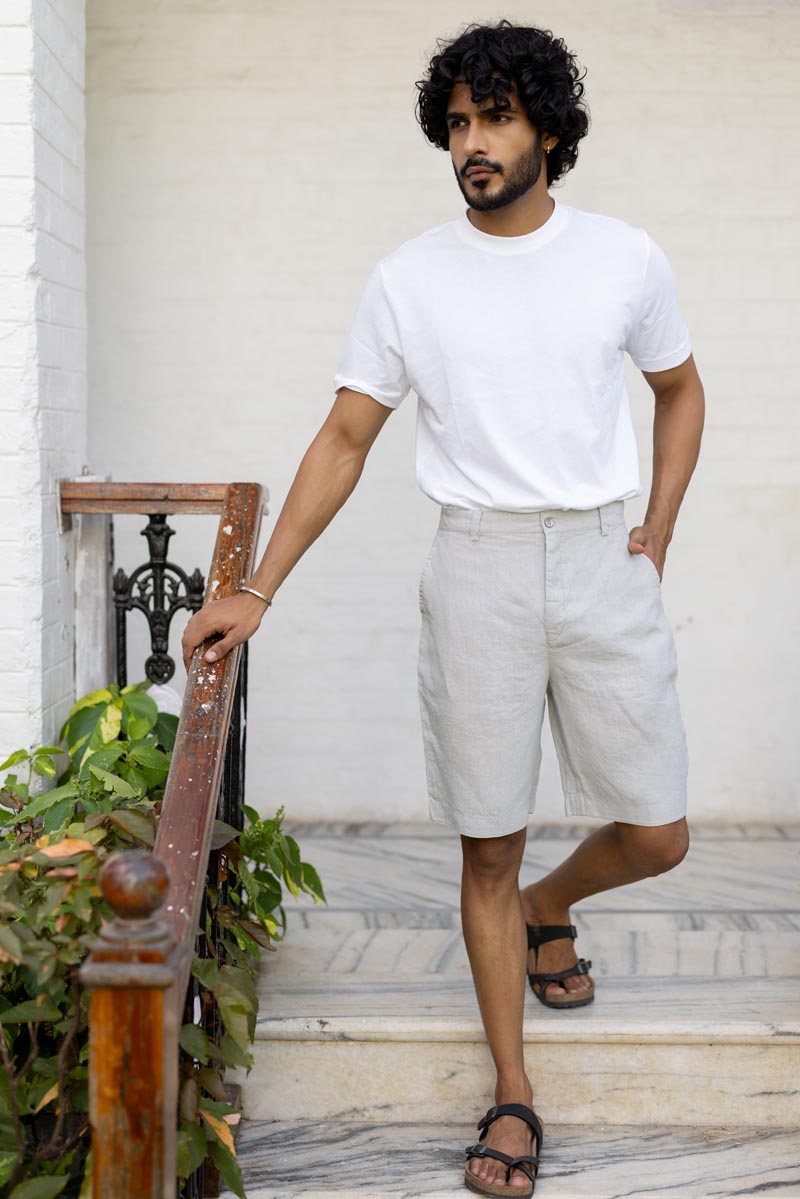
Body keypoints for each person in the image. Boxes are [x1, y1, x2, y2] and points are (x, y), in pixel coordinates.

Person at [182, 18, 704, 1197]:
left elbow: (678, 391)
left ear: (548, 132)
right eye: (457, 122)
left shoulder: (622, 258)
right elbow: (346, 435)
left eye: (496, 118)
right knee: (484, 835)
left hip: (595, 559)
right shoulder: (408, 278)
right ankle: (512, 1090)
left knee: (660, 830)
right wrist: (256, 587)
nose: (472, 142)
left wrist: (656, 522)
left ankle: (547, 905)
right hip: (473, 566)